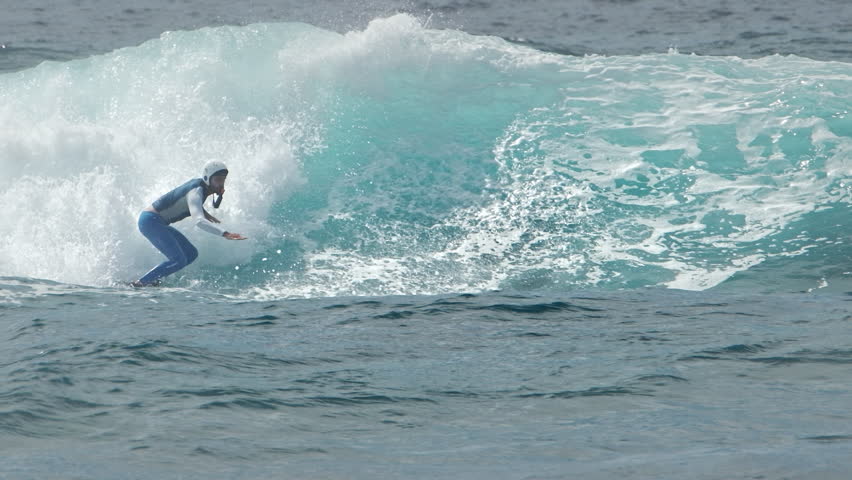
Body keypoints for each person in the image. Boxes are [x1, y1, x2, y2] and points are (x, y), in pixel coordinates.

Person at [131, 161, 247, 287]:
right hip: (150, 221)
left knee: (191, 253)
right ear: (207, 178)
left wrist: (206, 211)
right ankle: (139, 284)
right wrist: (225, 233)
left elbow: (192, 204)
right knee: (178, 260)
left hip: (157, 222)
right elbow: (199, 221)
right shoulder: (196, 191)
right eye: (217, 180)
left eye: (223, 180)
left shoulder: (202, 188)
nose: (220, 184)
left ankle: (152, 280)